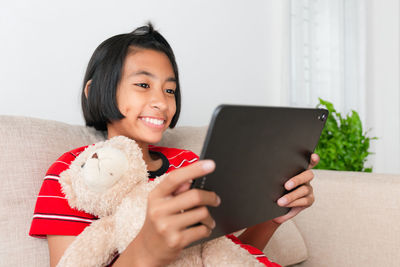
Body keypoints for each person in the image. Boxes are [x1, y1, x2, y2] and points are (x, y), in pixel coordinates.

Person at [29, 23, 317, 267]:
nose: (162, 102)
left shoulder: (189, 164)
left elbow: (221, 255)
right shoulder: (77, 173)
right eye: (143, 85)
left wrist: (272, 217)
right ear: (94, 91)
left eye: (170, 90)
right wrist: (149, 247)